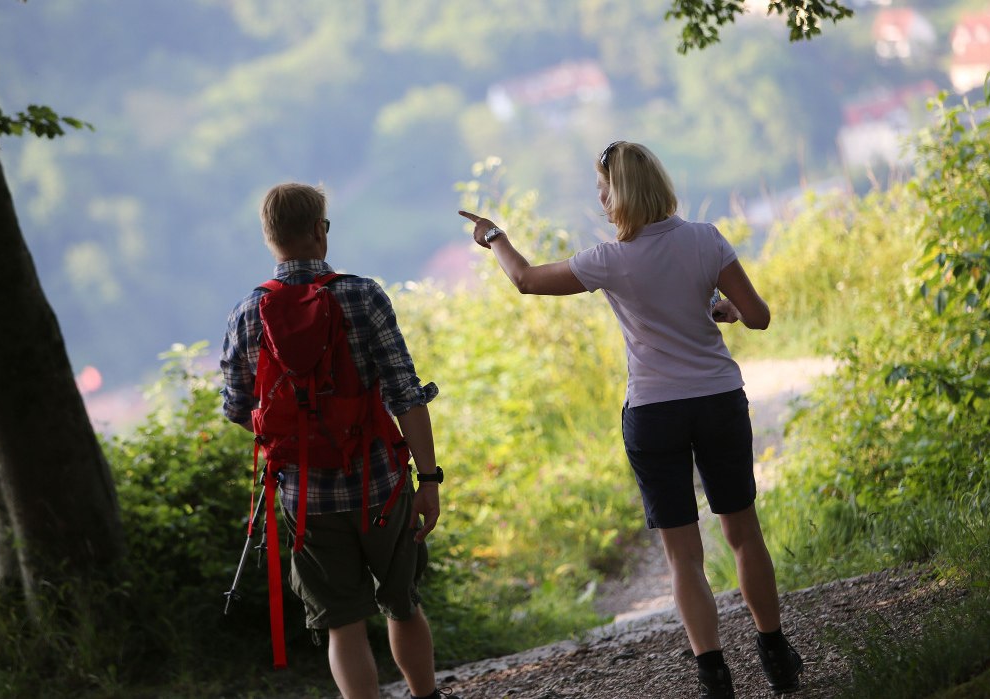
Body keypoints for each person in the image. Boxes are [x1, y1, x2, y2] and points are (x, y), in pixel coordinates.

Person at [458, 141, 803, 698]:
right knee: (742, 533)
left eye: (601, 188)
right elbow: (758, 316)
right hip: (717, 399)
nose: (598, 198)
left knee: (683, 554)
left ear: (617, 195)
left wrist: (494, 237)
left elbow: (524, 279)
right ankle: (774, 651)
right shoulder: (705, 238)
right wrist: (728, 309)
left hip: (653, 411)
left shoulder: (608, 260)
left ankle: (714, 675)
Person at [222, 183, 458, 699]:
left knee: (342, 624)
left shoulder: (246, 314)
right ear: (319, 232)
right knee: (402, 603)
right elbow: (405, 394)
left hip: (307, 500)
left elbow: (239, 410)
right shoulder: (362, 295)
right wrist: (430, 478)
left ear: (270, 239)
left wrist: (298, 441)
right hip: (381, 485)